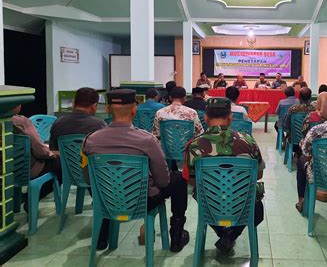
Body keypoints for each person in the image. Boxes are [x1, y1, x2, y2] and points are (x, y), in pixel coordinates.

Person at [82, 89, 189, 252]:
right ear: (134, 109)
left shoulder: (89, 140)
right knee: (179, 179)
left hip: (107, 200)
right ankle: (176, 236)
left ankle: (101, 239)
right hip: (143, 201)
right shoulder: (147, 140)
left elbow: (89, 180)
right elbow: (163, 180)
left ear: (108, 110)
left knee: (106, 186)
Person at [183, 98, 265, 254]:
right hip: (242, 201)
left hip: (210, 201)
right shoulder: (247, 141)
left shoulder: (194, 145)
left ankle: (223, 234)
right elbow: (258, 174)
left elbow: (191, 179)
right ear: (230, 117)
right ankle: (232, 234)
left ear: (206, 118)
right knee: (256, 201)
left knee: (200, 195)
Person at [12, 105, 62, 209]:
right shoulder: (21, 122)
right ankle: (30, 200)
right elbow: (39, 150)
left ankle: (23, 197)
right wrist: (52, 153)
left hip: (8, 172)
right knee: (61, 165)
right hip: (26, 170)